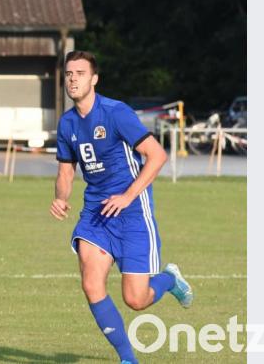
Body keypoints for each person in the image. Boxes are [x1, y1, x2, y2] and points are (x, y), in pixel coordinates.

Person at [49, 51, 193, 364]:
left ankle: (169, 279)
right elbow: (65, 172)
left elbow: (157, 156)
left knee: (135, 299)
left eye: (80, 73)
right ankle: (128, 359)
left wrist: (127, 196)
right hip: (96, 214)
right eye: (69, 73)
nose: (73, 78)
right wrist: (61, 198)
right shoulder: (67, 123)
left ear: (94, 79)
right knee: (91, 283)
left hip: (132, 212)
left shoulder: (116, 112)